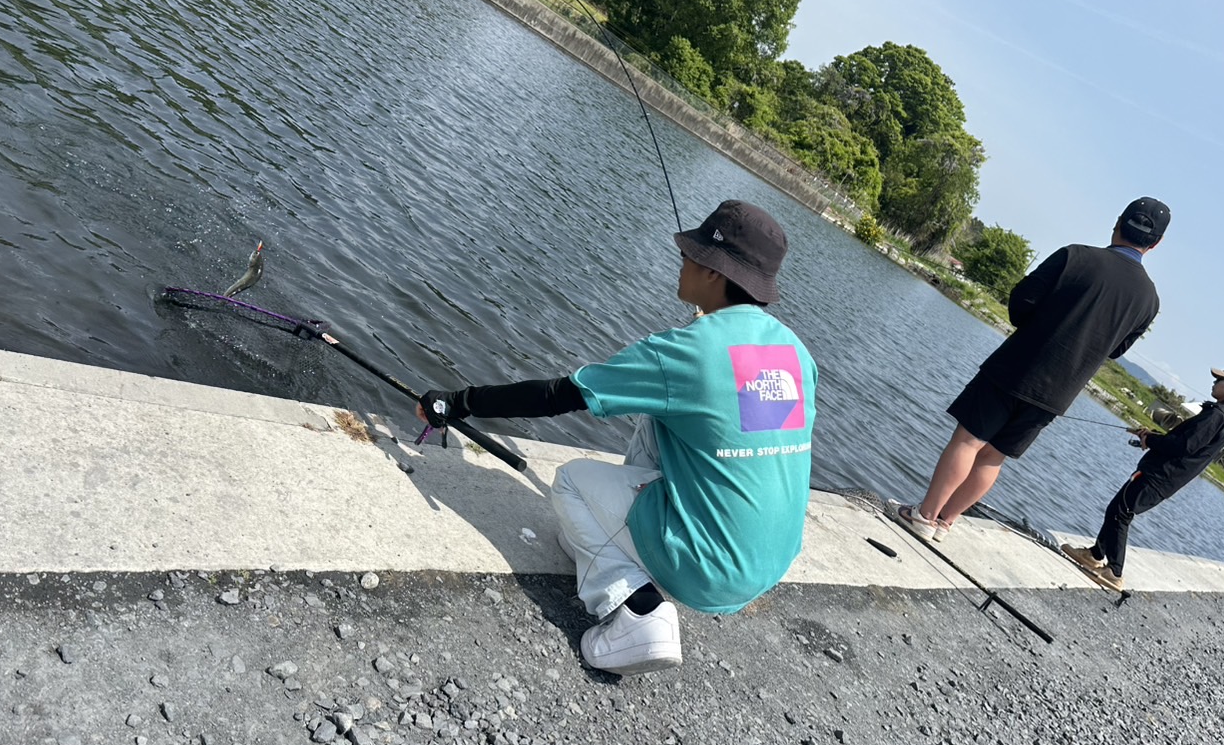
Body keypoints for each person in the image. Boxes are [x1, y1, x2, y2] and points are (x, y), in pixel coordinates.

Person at [415, 201, 817, 676]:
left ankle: (639, 613)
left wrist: (458, 401)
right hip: (768, 563)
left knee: (571, 482)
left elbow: (558, 396)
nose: (681, 260)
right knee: (660, 416)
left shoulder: (689, 351)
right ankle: (626, 543)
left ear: (714, 272)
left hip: (710, 570)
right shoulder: (798, 354)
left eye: (690, 254)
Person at [896, 197, 1167, 543]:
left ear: (1118, 222)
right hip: (1057, 394)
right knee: (993, 457)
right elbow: (1116, 350)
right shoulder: (1149, 300)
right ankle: (945, 524)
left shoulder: (1075, 256)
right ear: (1156, 243)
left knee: (968, 441)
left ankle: (925, 516)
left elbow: (1020, 303)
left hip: (1015, 366)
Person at [1062, 366, 1224, 589]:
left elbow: (1183, 446)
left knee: (1121, 513)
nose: (1214, 382)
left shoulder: (1217, 416)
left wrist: (1151, 440)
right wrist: (1152, 437)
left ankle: (1114, 572)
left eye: (1220, 380)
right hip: (1165, 475)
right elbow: (1187, 445)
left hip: (1160, 475)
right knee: (1117, 509)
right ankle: (1095, 555)